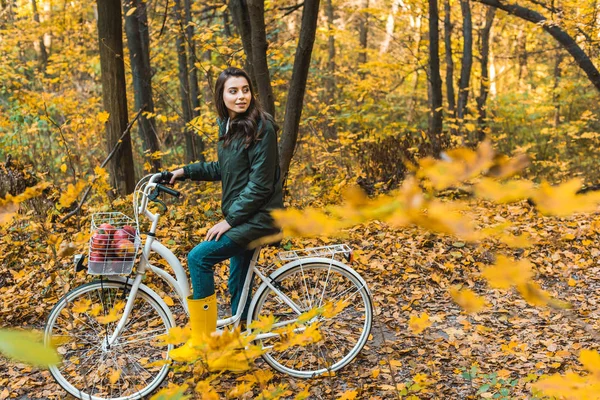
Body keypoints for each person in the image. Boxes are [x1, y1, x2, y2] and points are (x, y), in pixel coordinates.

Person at [165, 67, 283, 348]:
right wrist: (184, 171)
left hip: (260, 218)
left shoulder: (262, 128)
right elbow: (225, 168)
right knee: (237, 284)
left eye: (245, 90)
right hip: (246, 216)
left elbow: (261, 186)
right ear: (222, 96)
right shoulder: (228, 126)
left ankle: (207, 342)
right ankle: (240, 344)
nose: (241, 96)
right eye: (233, 91)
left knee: (199, 257)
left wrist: (229, 221)